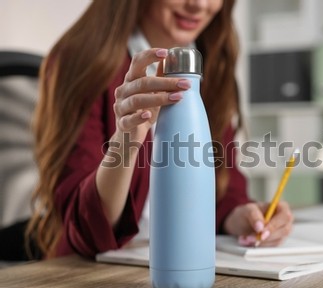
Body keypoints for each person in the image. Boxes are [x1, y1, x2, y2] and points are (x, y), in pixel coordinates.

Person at [26, 0, 293, 259]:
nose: (199, 4)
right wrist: (126, 142)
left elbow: (224, 183)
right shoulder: (85, 62)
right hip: (96, 272)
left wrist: (241, 217)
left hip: (186, 260)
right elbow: (84, 224)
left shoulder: (208, 62)